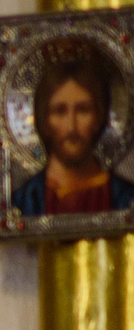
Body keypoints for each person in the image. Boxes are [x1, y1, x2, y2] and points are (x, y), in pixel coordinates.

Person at [10, 55, 134, 216]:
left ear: (99, 117)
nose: (71, 127)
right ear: (45, 120)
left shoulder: (125, 199)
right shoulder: (23, 203)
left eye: (83, 110)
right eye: (60, 111)